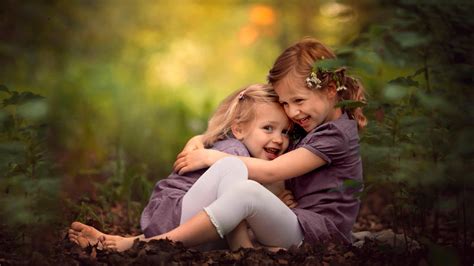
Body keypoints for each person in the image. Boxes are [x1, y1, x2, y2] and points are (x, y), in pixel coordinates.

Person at [174, 37, 367, 245]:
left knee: (246, 192)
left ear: (330, 90)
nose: (292, 111)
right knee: (239, 187)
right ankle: (165, 239)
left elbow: (272, 171)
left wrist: (210, 157)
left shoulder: (336, 135)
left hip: (319, 232)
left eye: (298, 100)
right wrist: (201, 139)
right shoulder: (310, 123)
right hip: (297, 220)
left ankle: (164, 241)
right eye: (285, 103)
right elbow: (248, 134)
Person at [68, 83, 296, 252]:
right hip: (174, 212)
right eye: (268, 128)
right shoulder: (233, 151)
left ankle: (118, 242)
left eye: (285, 132)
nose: (278, 139)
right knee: (232, 168)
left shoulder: (236, 152)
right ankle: (242, 248)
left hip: (183, 220)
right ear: (238, 129)